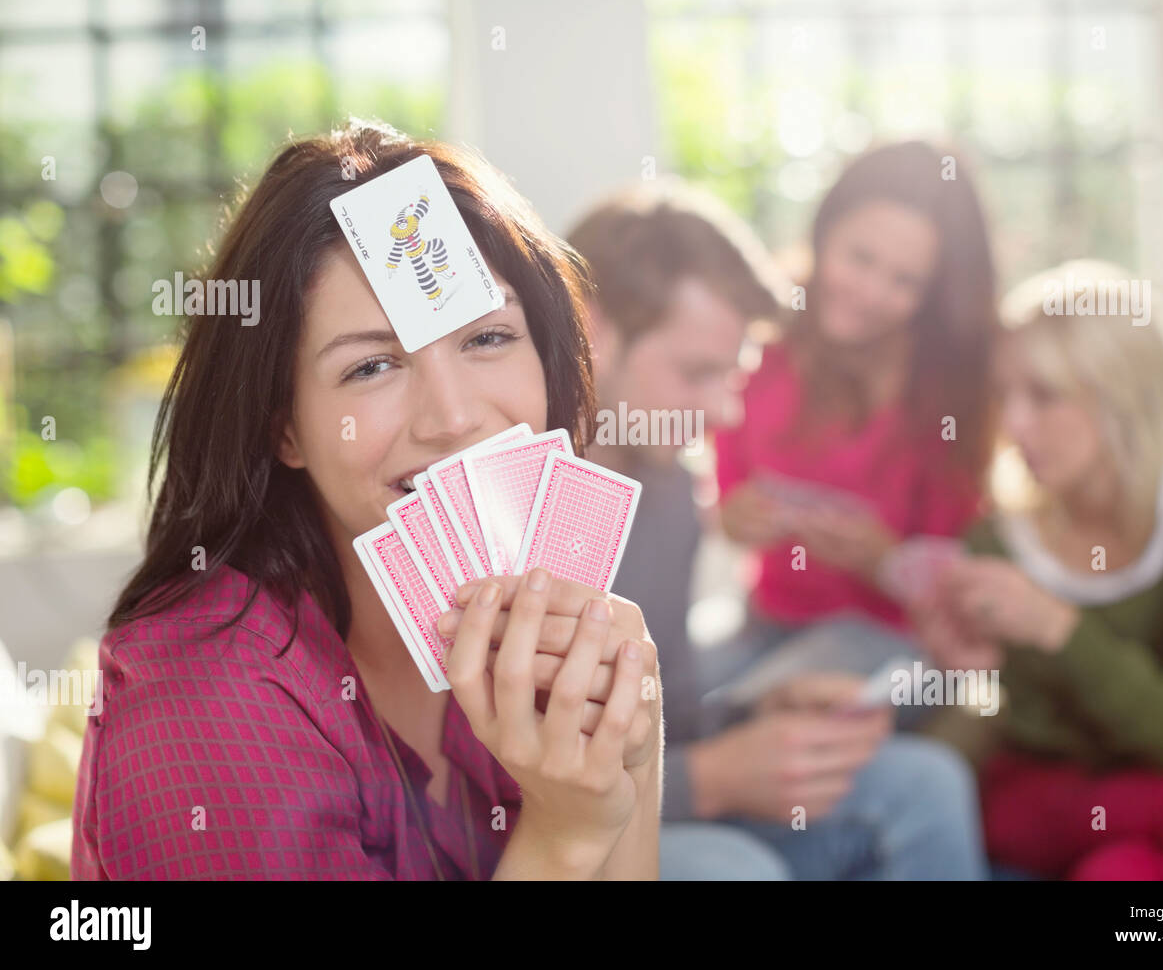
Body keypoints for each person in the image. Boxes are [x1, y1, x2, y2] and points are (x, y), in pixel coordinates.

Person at [71, 119, 662, 880]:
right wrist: (566, 834)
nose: (453, 416)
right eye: (373, 366)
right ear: (283, 426)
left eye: (486, 338)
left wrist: (636, 761)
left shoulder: (530, 621)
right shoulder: (198, 697)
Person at [569, 180, 987, 879]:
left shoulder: (671, 490)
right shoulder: (507, 496)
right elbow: (490, 805)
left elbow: (673, 716)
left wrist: (759, 710)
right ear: (591, 331)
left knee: (927, 783)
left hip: (658, 787)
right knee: (738, 869)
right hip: (563, 838)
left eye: (732, 375)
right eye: (697, 372)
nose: (728, 416)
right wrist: (711, 779)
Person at [915, 260, 1163, 880]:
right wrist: (958, 673)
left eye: (1044, 394)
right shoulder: (994, 541)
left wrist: (1055, 626)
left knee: (1121, 873)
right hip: (1056, 797)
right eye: (1005, 395)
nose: (1014, 423)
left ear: (1123, 396)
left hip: (1161, 794)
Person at [708, 140, 1001, 701]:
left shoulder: (947, 395)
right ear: (824, 233)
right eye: (860, 259)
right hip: (765, 619)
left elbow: (958, 579)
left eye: (904, 281)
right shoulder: (764, 349)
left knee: (761, 700)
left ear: (933, 293)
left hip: (891, 642)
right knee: (670, 678)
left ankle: (706, 755)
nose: (870, 293)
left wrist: (885, 560)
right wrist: (735, 519)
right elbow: (728, 499)